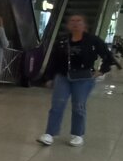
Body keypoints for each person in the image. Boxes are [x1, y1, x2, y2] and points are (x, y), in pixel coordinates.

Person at [38, 14, 118, 147]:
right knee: (57, 104)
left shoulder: (93, 40)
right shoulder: (62, 41)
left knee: (79, 105)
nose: (75, 23)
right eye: (72, 21)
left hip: (83, 78)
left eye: (78, 21)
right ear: (69, 25)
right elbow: (54, 60)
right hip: (63, 76)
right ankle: (50, 133)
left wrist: (102, 70)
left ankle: (77, 134)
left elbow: (108, 56)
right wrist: (49, 77)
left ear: (84, 24)